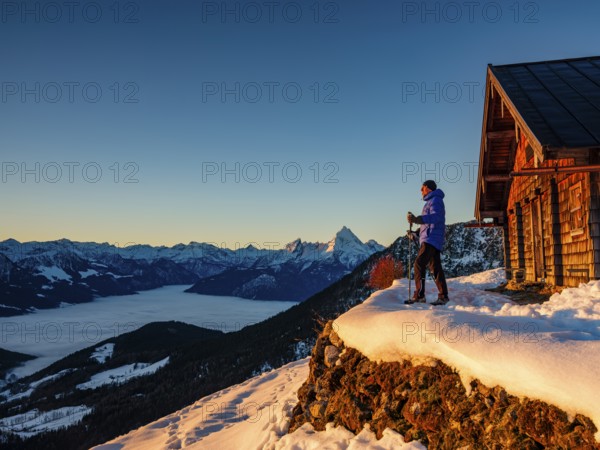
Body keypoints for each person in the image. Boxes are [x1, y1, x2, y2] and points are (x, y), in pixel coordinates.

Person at [404, 180, 449, 305]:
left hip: (431, 238)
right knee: (435, 268)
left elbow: (436, 217)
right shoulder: (431, 201)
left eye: (422, 187)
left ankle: (419, 295)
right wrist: (416, 233)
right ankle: (443, 296)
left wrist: (417, 219)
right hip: (431, 237)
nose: (420, 190)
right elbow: (427, 224)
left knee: (419, 263)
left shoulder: (435, 200)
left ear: (428, 188)